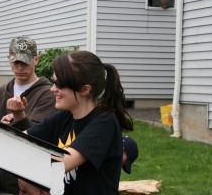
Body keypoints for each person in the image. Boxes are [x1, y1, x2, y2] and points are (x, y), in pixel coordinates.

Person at [7, 50, 134, 194]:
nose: (52, 89)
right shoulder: (65, 116)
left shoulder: (105, 122)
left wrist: (24, 172)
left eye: (59, 84)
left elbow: (60, 163)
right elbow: (19, 141)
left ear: (85, 90)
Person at [0, 36, 57, 194]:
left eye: (25, 61)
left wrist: (19, 118)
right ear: (8, 59)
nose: (20, 67)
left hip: (26, 186)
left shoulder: (48, 95)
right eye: (16, 62)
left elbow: (40, 139)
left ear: (36, 59)